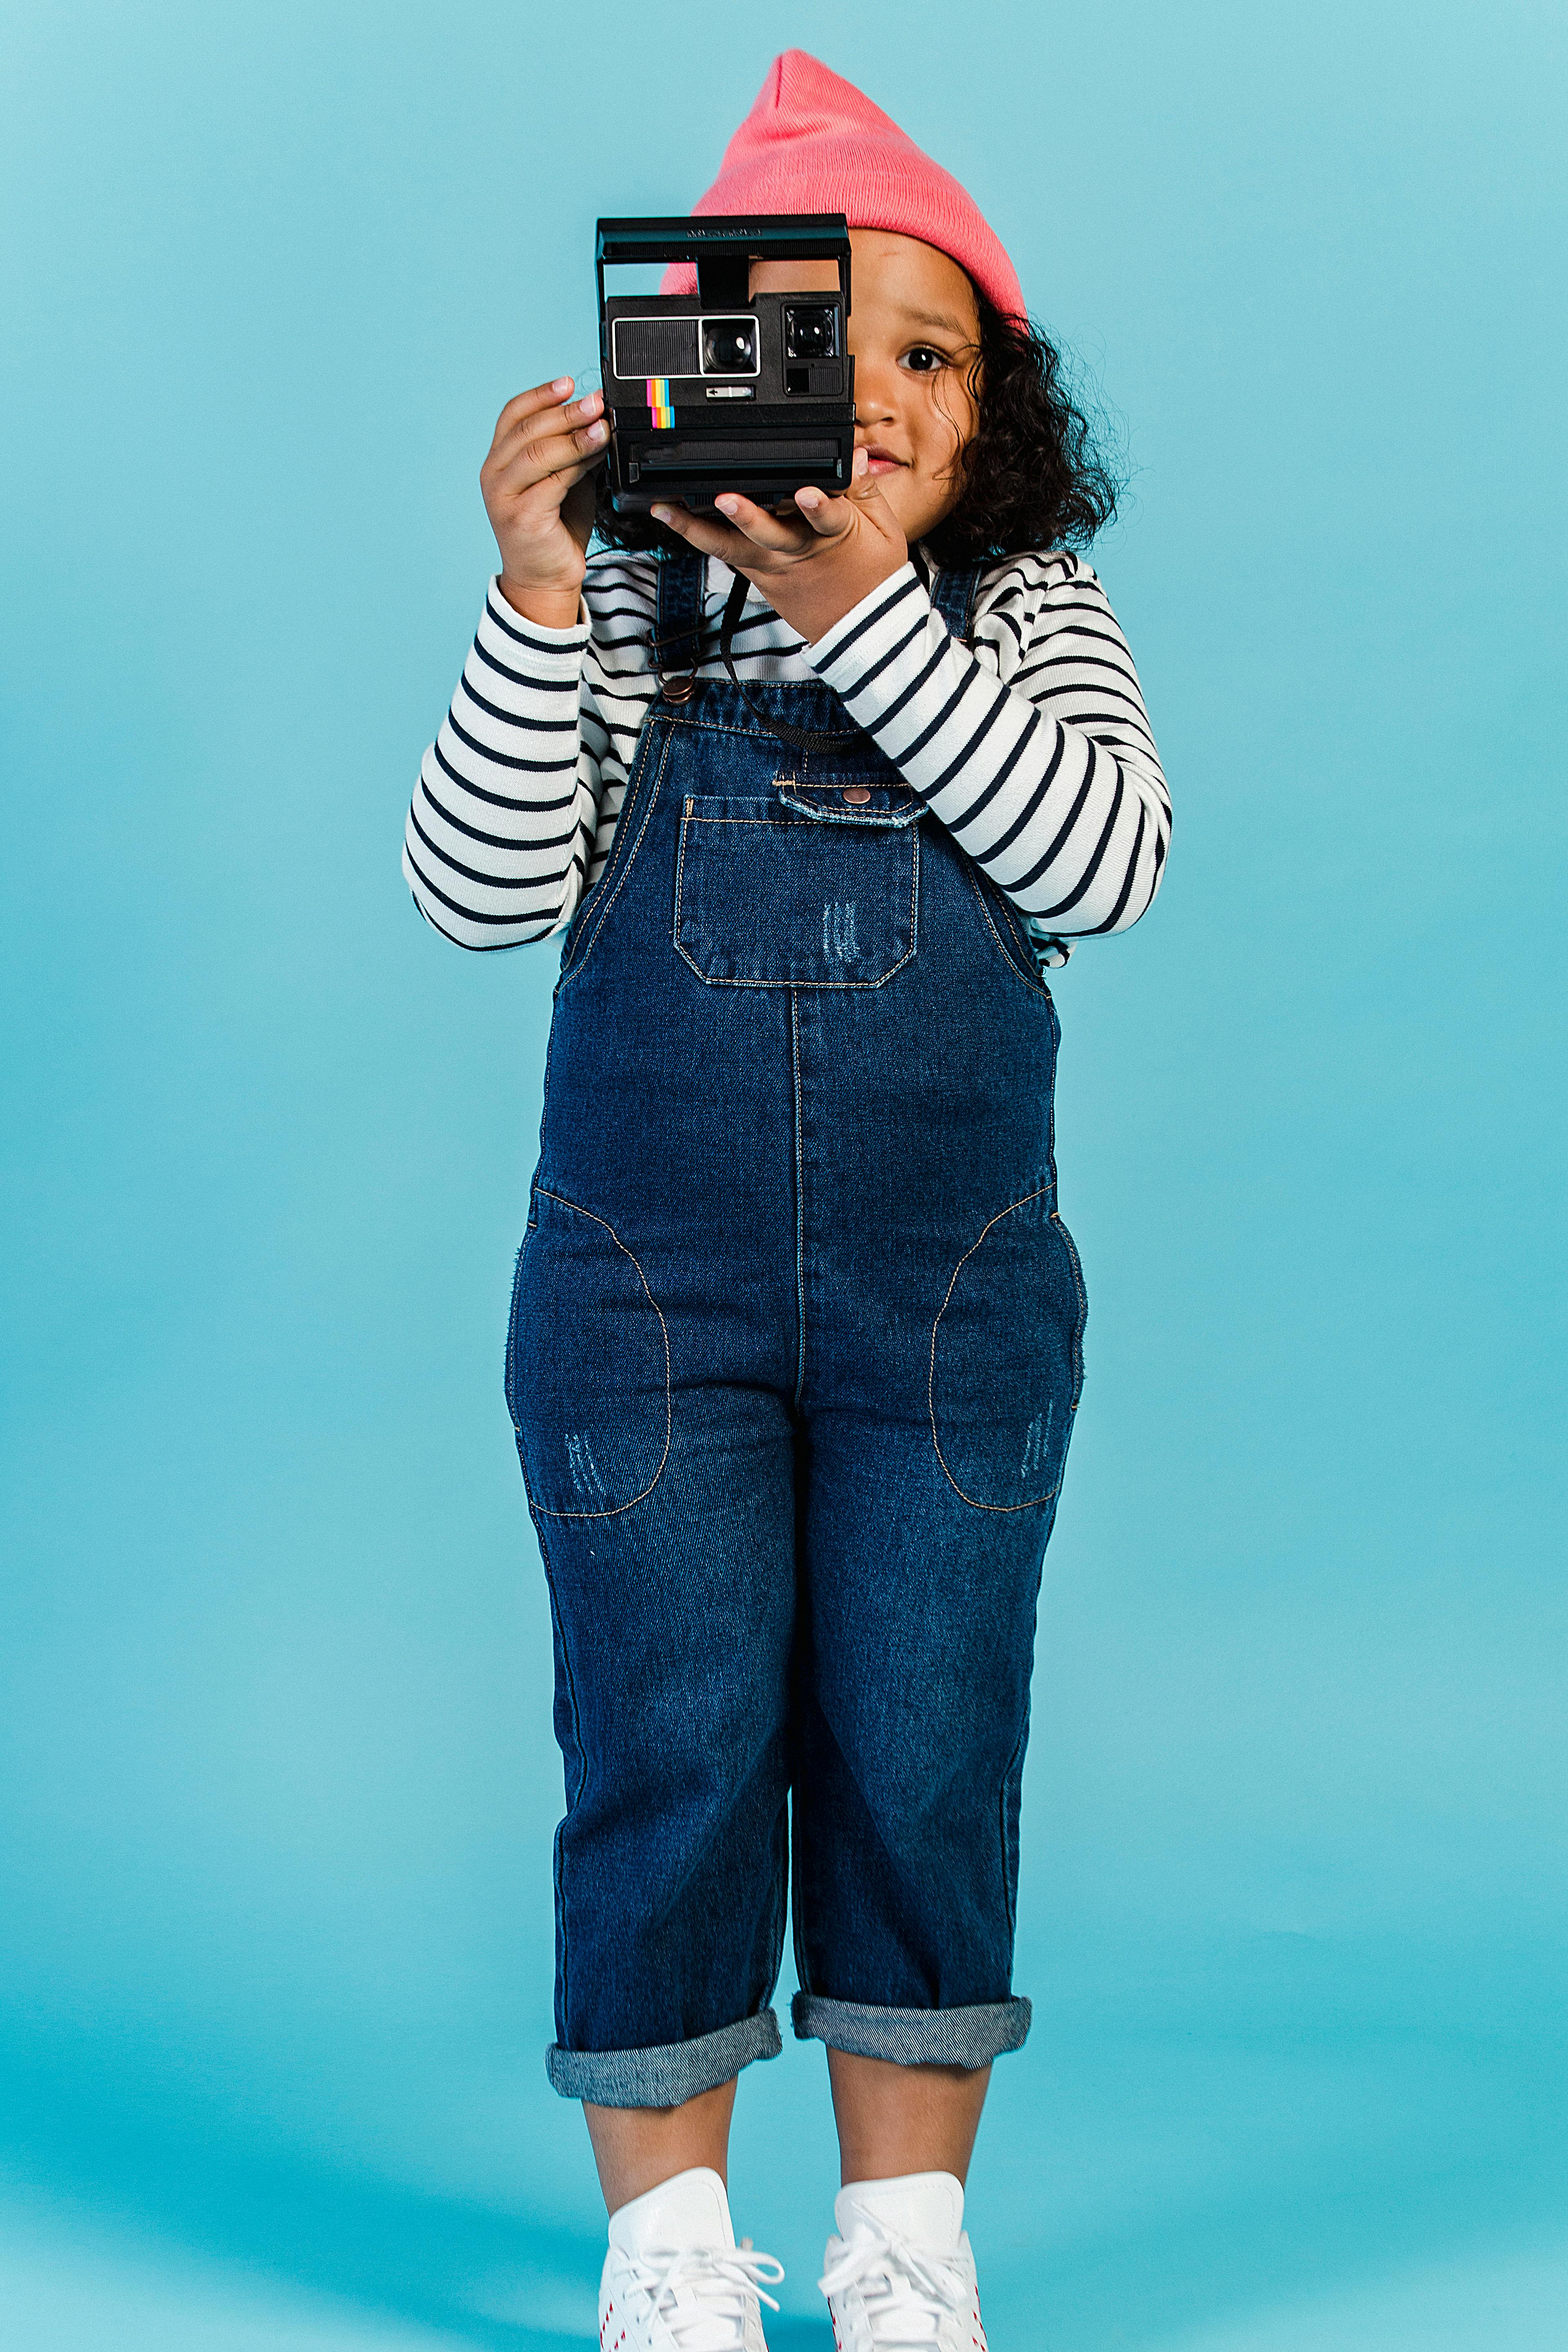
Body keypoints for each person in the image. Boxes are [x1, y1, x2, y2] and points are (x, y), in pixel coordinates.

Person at [404, 49, 1170, 2352]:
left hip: (954, 1312)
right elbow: (474, 894)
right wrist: (537, 595)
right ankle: (667, 2249)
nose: (885, 392)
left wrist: (866, 618)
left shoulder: (1025, 622)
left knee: (927, 1741)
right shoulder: (631, 637)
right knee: (666, 1736)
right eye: (822, 339)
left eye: (932, 352)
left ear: (996, 416)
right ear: (696, 380)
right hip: (647, 1304)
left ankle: (904, 2240)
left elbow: (1100, 865)